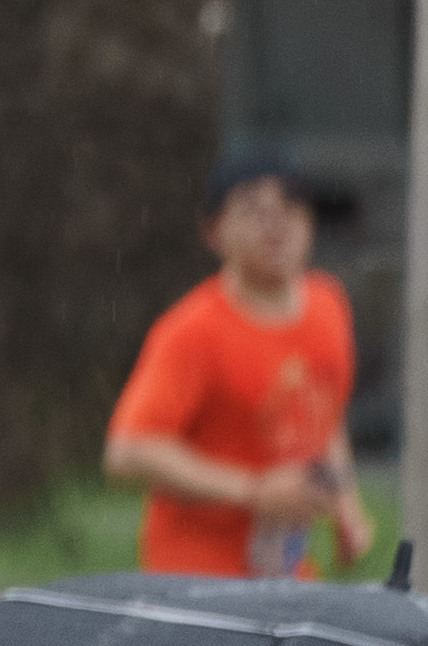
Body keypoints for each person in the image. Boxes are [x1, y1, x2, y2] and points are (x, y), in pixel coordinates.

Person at [105, 154, 376, 580]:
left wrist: (346, 507)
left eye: (291, 208)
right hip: (196, 577)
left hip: (286, 570)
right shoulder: (192, 331)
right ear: (213, 231)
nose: (276, 226)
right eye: (253, 210)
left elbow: (322, 414)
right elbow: (128, 452)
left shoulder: (329, 304)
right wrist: (254, 491)